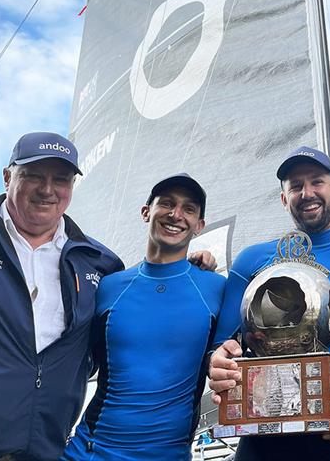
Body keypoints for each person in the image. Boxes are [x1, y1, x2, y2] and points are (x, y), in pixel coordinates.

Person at [0, 132, 123, 460]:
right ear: (8, 177)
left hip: (44, 446)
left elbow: (120, 343)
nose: (47, 190)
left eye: (60, 179)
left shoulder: (100, 262)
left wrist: (190, 266)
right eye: (33, 175)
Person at [207, 146, 330, 460]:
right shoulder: (251, 260)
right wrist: (217, 363)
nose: (307, 192)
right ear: (284, 198)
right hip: (262, 439)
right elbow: (221, 347)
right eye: (295, 186)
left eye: (317, 182)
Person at [63, 173, 226, 460]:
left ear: (199, 225)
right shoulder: (109, 286)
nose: (176, 215)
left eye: (189, 209)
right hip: (89, 451)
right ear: (146, 212)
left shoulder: (216, 289)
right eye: (167, 204)